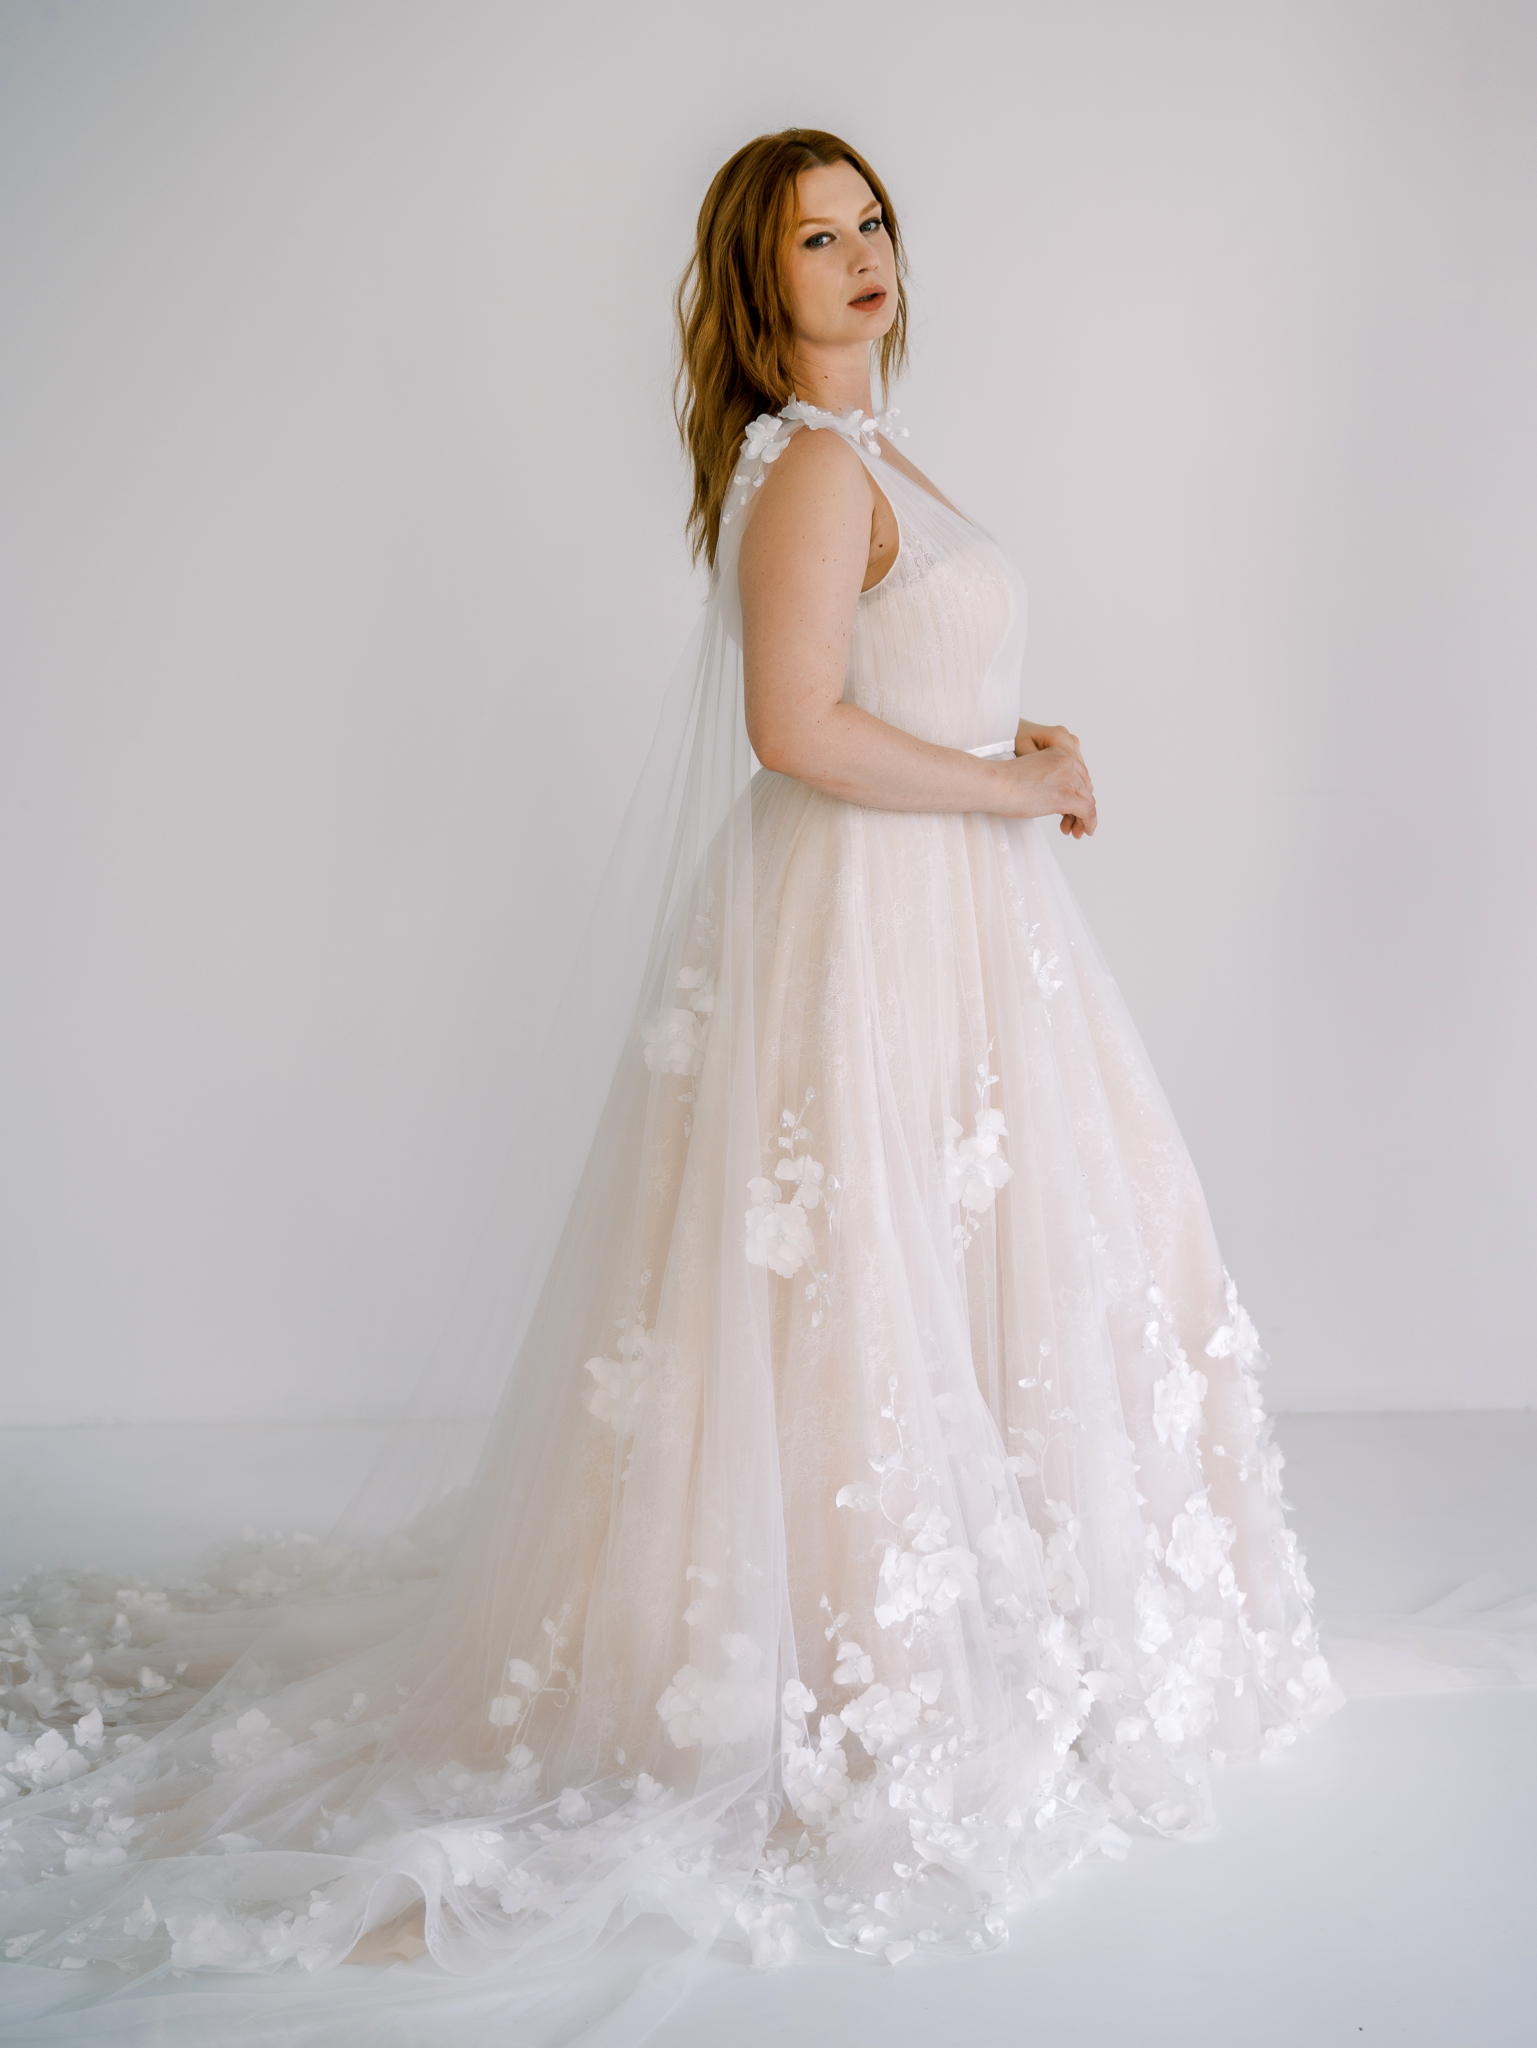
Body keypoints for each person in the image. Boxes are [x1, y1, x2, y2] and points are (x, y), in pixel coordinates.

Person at [0, 128, 1351, 2045]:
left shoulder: (874, 450)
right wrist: (1006, 784)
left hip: (958, 918)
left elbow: (900, 674)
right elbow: (795, 729)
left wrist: (1012, 737)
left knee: (1002, 1247)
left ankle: (992, 1609)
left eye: (873, 220)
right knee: (859, 1282)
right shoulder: (807, 468)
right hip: (873, 923)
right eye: (816, 236)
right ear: (755, 278)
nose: (863, 254)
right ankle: (845, 1646)